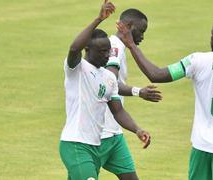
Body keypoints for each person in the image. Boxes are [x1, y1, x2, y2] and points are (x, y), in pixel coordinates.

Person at [116, 18, 213, 180]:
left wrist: (131, 45)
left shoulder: (196, 60)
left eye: (212, 35)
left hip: (200, 147)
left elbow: (155, 74)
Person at [59, 1, 150, 179]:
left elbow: (118, 111)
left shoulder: (108, 78)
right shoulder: (77, 69)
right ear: (88, 50)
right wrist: (98, 19)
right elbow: (73, 48)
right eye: (102, 52)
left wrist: (137, 130)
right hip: (76, 144)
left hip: (97, 143)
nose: (107, 56)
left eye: (108, 52)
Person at [99, 8, 157, 180]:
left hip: (114, 133)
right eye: (141, 31)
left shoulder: (120, 47)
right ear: (129, 27)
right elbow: (110, 82)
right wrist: (139, 91)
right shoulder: (114, 47)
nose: (142, 37)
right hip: (101, 134)